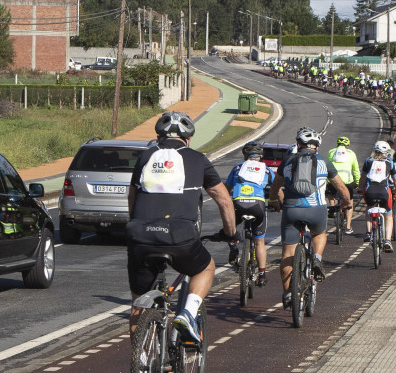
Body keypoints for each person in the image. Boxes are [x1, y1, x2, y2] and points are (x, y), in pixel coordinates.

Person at [126, 111, 237, 343]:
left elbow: (132, 198)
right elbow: (224, 200)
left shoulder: (145, 157)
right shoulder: (198, 159)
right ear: (188, 139)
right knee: (205, 268)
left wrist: (136, 226)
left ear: (159, 137)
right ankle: (188, 312)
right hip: (180, 237)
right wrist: (230, 233)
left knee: (138, 304)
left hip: (140, 236)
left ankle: (142, 365)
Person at [270, 127, 351, 310]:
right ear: (317, 146)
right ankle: (316, 257)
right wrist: (346, 203)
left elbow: (276, 186)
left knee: (287, 254)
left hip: (292, 209)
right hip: (316, 209)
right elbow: (341, 188)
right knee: (319, 233)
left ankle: (288, 293)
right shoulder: (324, 163)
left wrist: (274, 200)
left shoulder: (288, 162)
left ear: (299, 144)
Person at [224, 141, 275, 287]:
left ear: (245, 155)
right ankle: (262, 274)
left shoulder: (237, 167)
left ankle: (233, 246)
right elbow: (277, 189)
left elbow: (226, 189)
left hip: (238, 204)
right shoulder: (266, 169)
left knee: (229, 226)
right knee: (259, 241)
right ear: (261, 156)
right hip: (257, 206)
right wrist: (277, 202)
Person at [358, 141, 396, 253]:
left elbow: (362, 177)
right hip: (384, 191)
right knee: (388, 216)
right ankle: (387, 240)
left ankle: (368, 233)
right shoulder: (389, 162)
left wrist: (359, 187)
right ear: (386, 152)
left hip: (370, 191)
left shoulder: (368, 160)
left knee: (368, 208)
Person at [326, 136, 360, 235]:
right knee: (350, 202)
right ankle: (348, 227)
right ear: (347, 146)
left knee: (331, 194)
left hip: (334, 180)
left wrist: (327, 180)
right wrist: (357, 182)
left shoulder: (331, 152)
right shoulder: (351, 153)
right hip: (347, 181)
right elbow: (355, 169)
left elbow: (327, 166)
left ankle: (332, 208)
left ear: (337, 144)